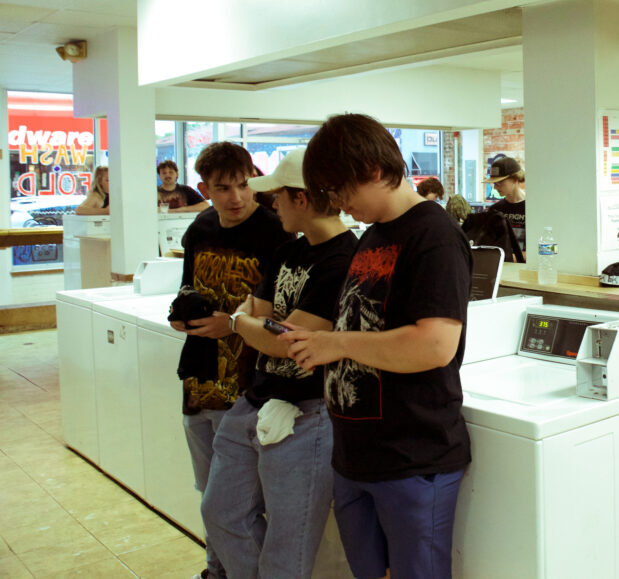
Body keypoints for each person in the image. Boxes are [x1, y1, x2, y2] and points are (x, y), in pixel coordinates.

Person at [284, 113, 472, 579]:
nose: (338, 204)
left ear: (371, 170)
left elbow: (434, 345)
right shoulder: (371, 236)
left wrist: (336, 344)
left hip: (412, 457)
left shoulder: (434, 235)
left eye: (339, 190)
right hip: (355, 454)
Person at [200, 148, 358, 579]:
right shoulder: (289, 251)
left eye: (278, 196)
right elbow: (261, 316)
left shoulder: (344, 259)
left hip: (309, 412)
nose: (272, 204)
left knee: (288, 542)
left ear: (300, 199)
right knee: (220, 513)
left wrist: (238, 322)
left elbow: (286, 341)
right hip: (255, 399)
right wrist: (253, 323)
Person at [169, 142, 292, 579]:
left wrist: (235, 325)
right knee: (209, 493)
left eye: (243, 185)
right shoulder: (200, 227)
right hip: (200, 375)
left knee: (238, 504)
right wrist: (182, 315)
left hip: (249, 384)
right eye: (223, 188)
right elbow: (188, 286)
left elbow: (286, 315)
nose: (236, 197)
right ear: (204, 188)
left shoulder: (276, 231)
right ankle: (215, 570)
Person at [484, 156, 526, 254]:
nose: (495, 187)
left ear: (515, 179)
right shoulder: (495, 210)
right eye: (494, 183)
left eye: (499, 182)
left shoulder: (533, 208)